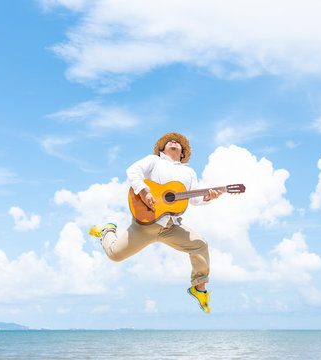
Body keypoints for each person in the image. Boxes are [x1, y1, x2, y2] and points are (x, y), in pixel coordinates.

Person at [89, 132, 222, 313]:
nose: (173, 142)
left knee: (200, 245)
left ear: (183, 152)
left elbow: (195, 199)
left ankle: (199, 288)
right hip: (145, 223)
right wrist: (144, 191)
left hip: (171, 227)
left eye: (178, 142)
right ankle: (107, 231)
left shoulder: (188, 172)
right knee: (114, 255)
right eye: (169, 141)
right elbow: (132, 171)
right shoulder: (154, 161)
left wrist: (208, 197)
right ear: (162, 148)